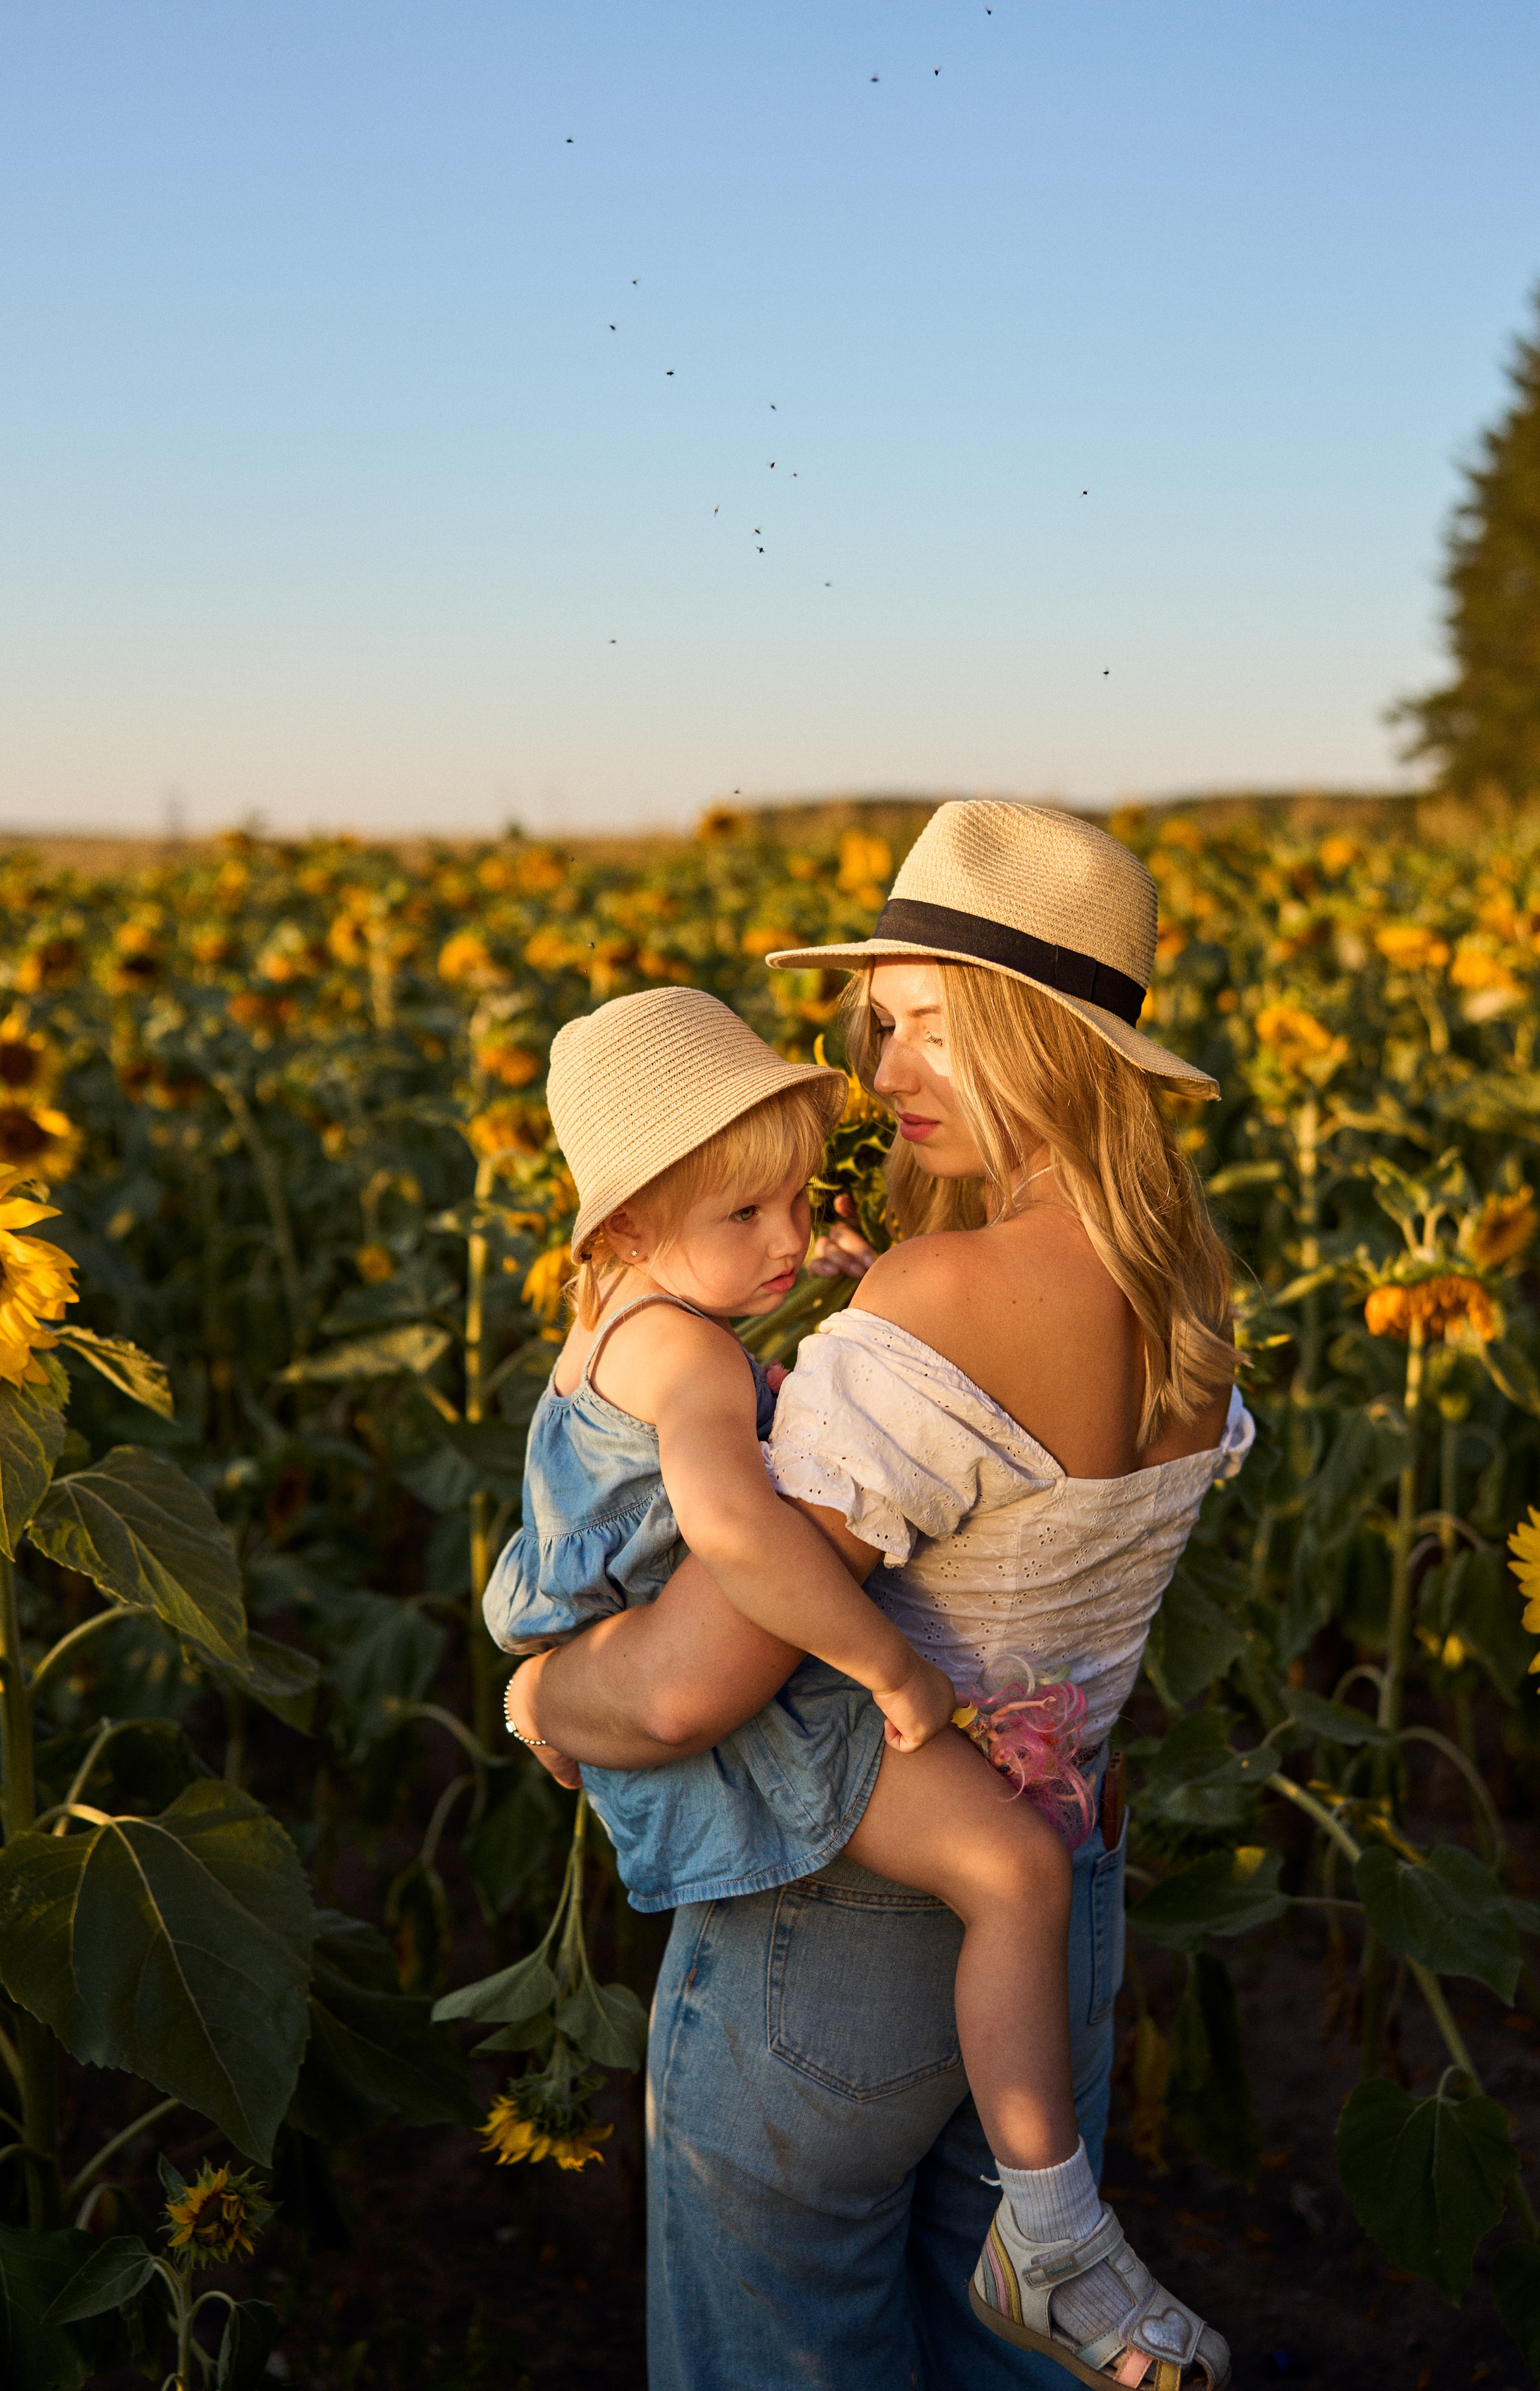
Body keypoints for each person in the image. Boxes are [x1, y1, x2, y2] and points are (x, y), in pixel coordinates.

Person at [506, 801, 1251, 2391]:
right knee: (1001, 2349)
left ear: (1043, 1041)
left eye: (928, 1024)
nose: (884, 1069)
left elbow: (683, 1688)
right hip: (1051, 1919)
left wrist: (541, 1695)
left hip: (832, 1926)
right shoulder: (1187, 1290)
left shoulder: (946, 1296)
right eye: (881, 1022)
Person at [485, 984, 1103, 2337]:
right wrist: (887, 1669)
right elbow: (738, 1537)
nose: (785, 1239)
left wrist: (797, 1279)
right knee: (1014, 1870)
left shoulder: (623, 1321)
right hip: (752, 1708)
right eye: (745, 1216)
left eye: (797, 1202)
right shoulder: (692, 1362)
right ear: (634, 1225)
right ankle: (1057, 2238)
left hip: (628, 1666)